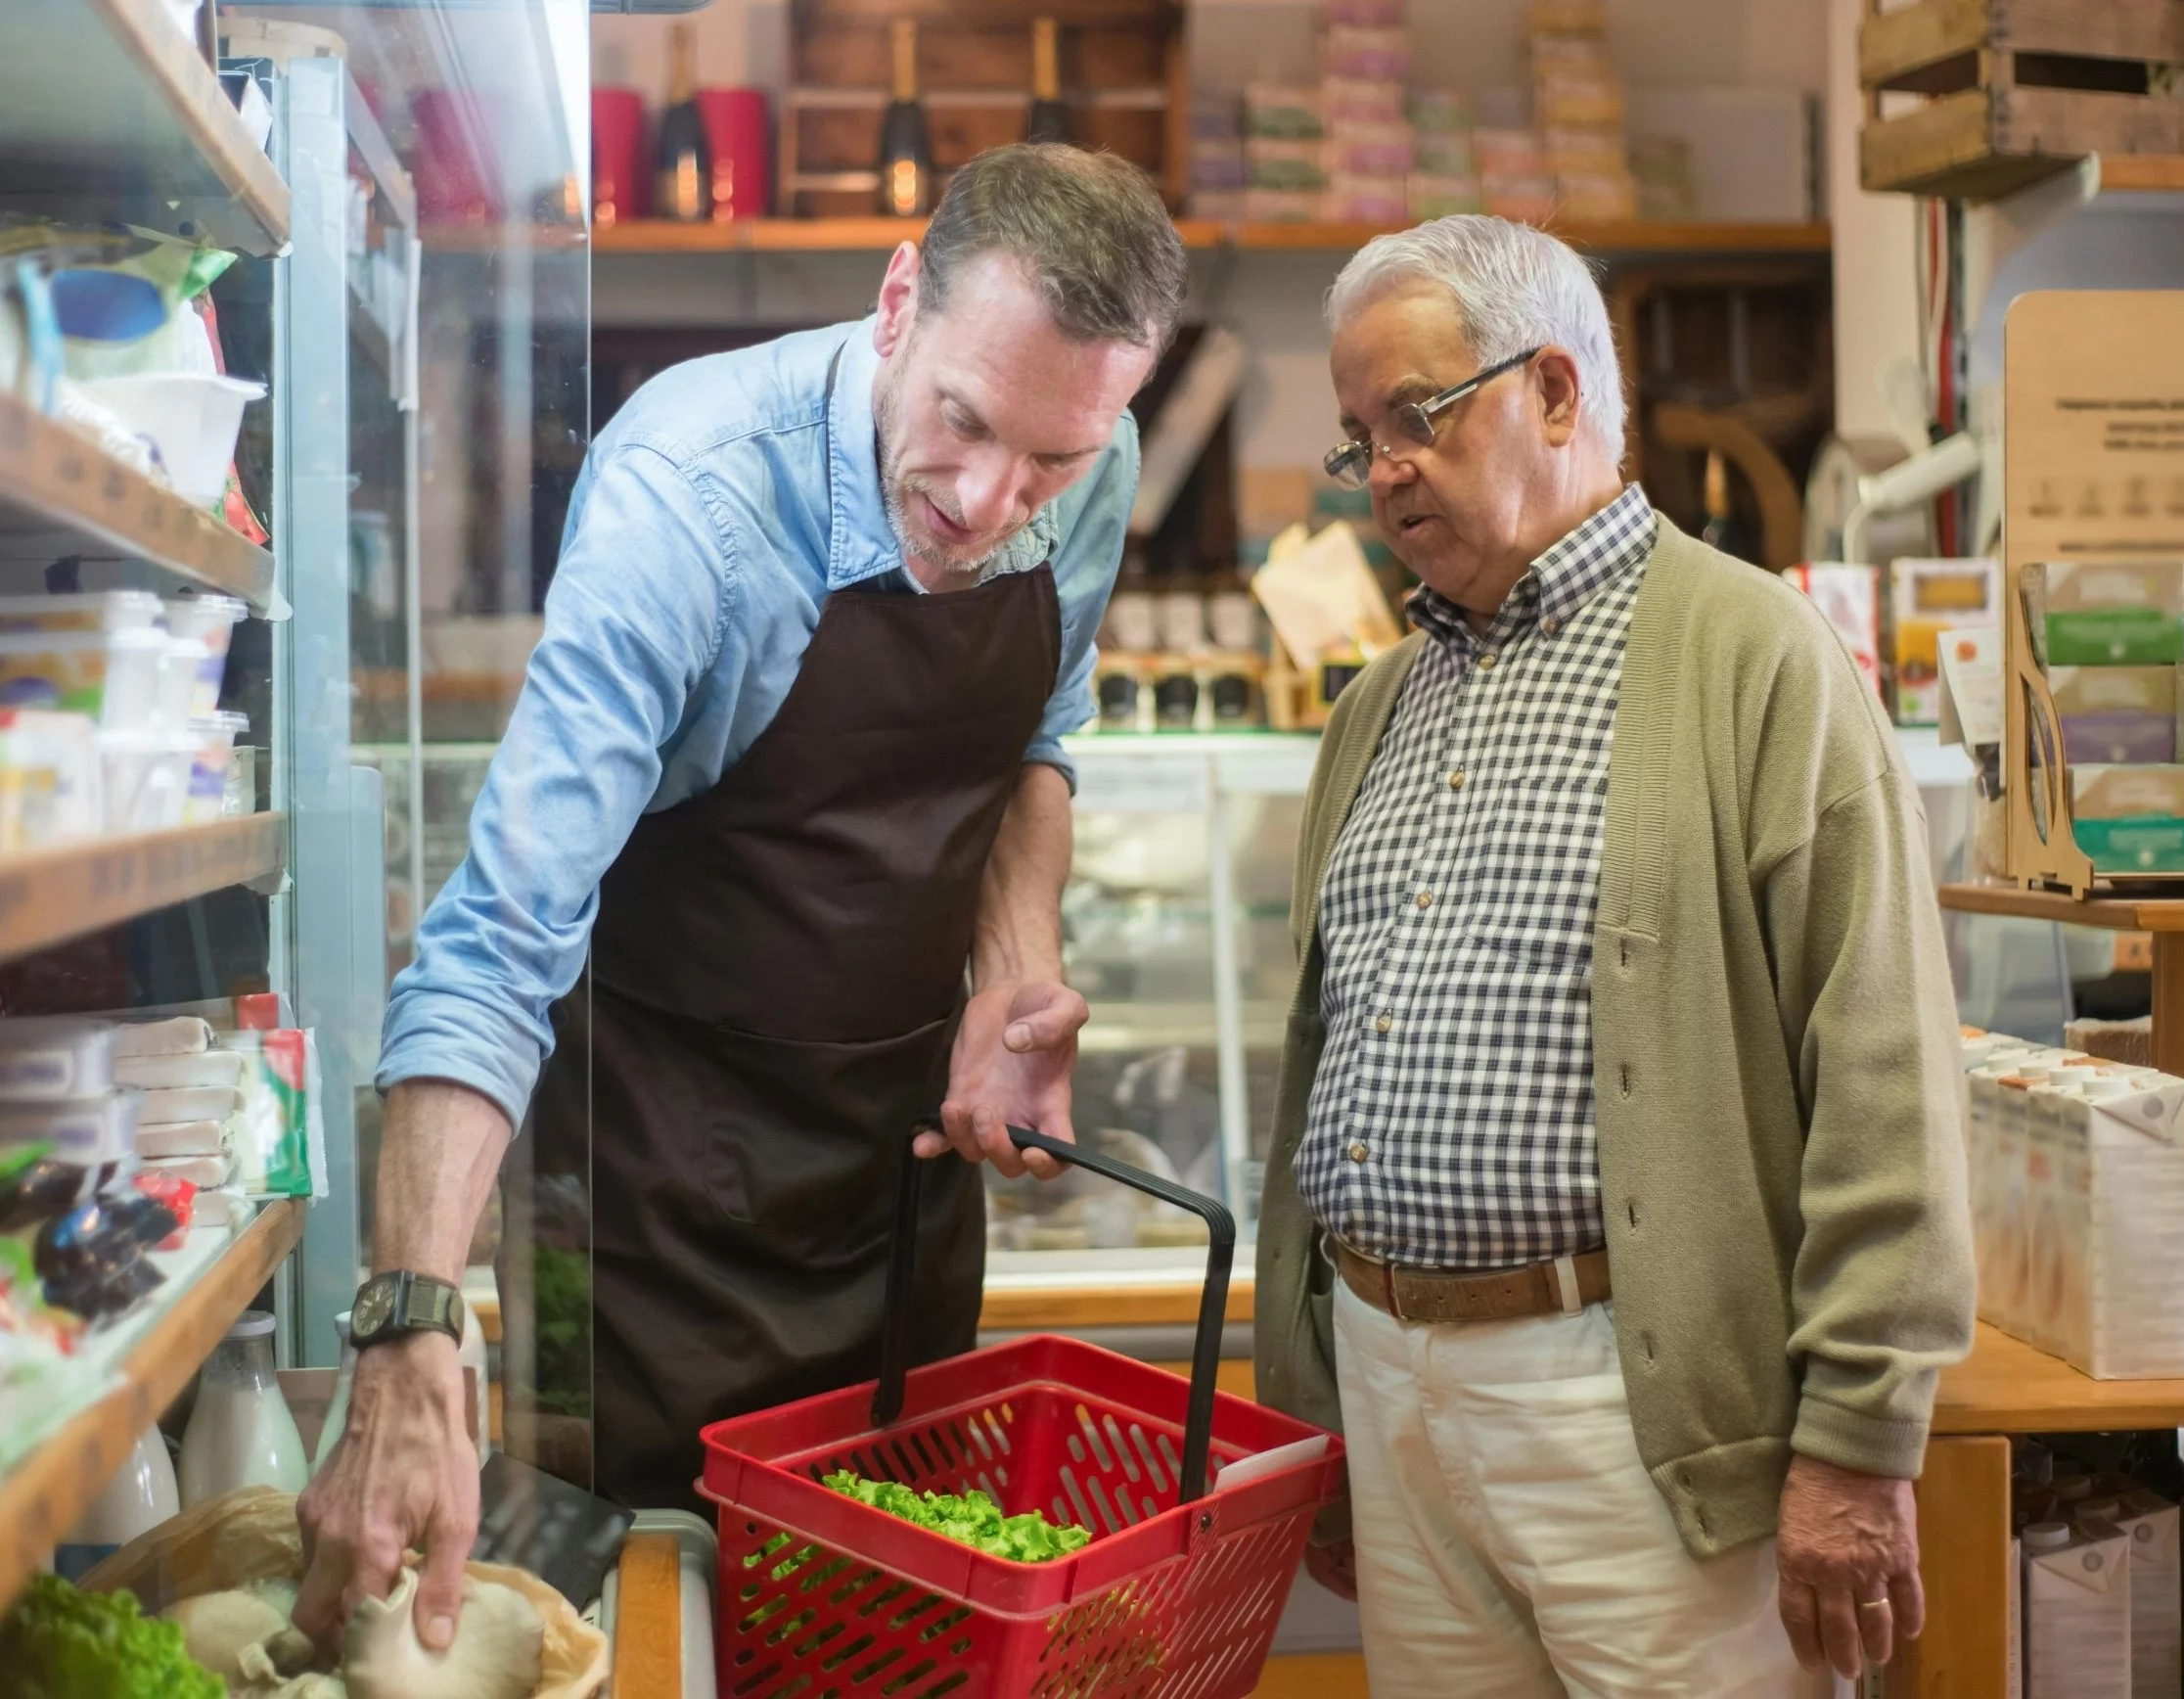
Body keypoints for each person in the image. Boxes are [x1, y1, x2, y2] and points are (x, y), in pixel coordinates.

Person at [294, 144, 1186, 1653]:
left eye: (1050, 462)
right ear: (898, 299)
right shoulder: (690, 501)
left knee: (886, 1626)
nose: (988, 501)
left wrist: (1010, 973)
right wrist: (404, 1321)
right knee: (654, 1629)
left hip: (892, 1170)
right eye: (962, 423)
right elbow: (498, 934)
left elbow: (1040, 735)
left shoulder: (1091, 449)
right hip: (642, 1202)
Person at [1251, 215, 1975, 1696]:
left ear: (1560, 392)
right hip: (1394, 1387)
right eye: (1355, 436)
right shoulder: (1378, 705)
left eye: (1418, 415)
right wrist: (1315, 1395)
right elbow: (1320, 1060)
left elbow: (1882, 1063)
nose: (1383, 468)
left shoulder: (1751, 654)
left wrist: (1854, 1438)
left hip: (1630, 1402)